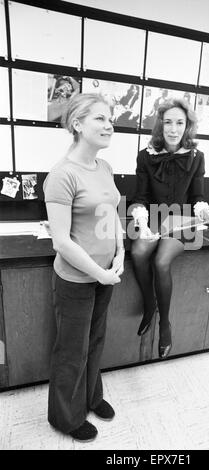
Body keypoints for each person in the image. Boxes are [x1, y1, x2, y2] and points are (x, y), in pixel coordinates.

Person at [43, 93, 125, 442]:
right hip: (78, 279)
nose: (109, 125)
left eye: (110, 119)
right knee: (71, 349)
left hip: (106, 273)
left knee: (95, 340)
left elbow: (112, 214)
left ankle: (91, 398)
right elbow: (61, 241)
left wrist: (120, 249)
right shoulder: (61, 175)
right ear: (77, 124)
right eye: (100, 119)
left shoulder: (103, 167)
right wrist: (100, 272)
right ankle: (65, 417)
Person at [130, 98, 209, 359]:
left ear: (187, 126)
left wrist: (204, 211)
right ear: (160, 125)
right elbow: (140, 197)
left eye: (179, 123)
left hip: (183, 220)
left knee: (162, 261)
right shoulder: (145, 156)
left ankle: (165, 323)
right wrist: (142, 223)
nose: (173, 129)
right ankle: (149, 304)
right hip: (153, 216)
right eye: (168, 122)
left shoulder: (197, 157)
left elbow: (197, 196)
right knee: (139, 252)